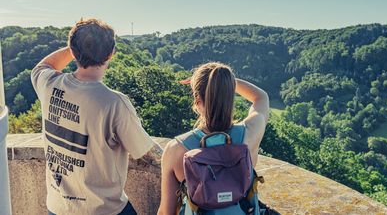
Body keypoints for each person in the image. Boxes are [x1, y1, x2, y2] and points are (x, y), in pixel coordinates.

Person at [31, 18, 164, 215]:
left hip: (58, 207)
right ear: (111, 54)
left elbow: (43, 65)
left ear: (73, 51)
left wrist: (74, 47)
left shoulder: (50, 84)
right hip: (103, 209)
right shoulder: (113, 103)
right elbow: (149, 153)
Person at [157, 62, 269, 215]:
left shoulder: (175, 149)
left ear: (197, 101)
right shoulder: (251, 132)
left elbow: (166, 212)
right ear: (230, 96)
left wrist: (216, 83)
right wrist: (225, 82)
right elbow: (261, 97)